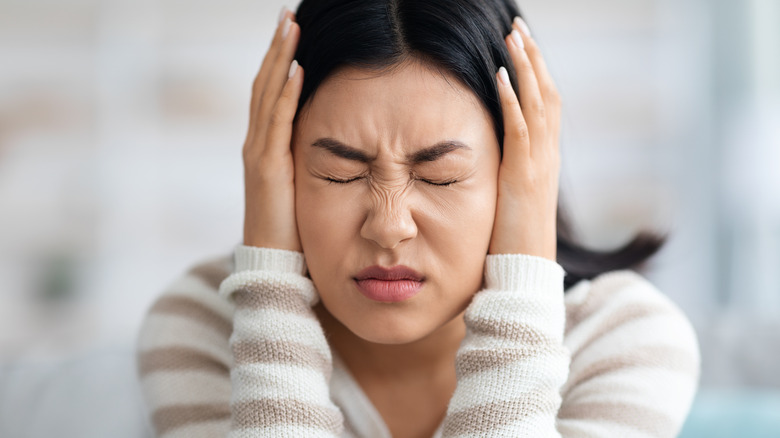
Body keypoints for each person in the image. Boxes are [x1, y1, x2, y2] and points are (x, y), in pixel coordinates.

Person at [135, 0, 701, 436]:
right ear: (275, 165)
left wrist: (522, 284)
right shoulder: (206, 326)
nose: (388, 226)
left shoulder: (624, 340)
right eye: (339, 171)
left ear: (525, 170)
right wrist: (269, 299)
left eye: (441, 176)